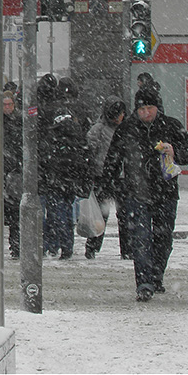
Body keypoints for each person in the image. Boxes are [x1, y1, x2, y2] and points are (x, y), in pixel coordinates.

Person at [99, 80, 188, 301]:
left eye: (149, 108)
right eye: (141, 109)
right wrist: (108, 184)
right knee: (141, 239)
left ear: (157, 108)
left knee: (163, 238)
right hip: (136, 192)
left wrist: (175, 151)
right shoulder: (127, 129)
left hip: (166, 192)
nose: (145, 112)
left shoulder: (171, 126)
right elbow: (113, 159)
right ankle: (144, 282)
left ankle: (156, 275)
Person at [37, 74, 91, 259]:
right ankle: (67, 244)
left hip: (53, 166)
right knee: (67, 206)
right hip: (72, 166)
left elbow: (40, 136)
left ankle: (52, 244)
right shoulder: (80, 110)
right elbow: (86, 138)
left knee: (53, 208)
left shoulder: (48, 110)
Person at [84, 97, 130, 259]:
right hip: (103, 175)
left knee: (123, 214)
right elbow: (90, 150)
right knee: (100, 215)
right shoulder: (99, 129)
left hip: (117, 176)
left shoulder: (124, 129)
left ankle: (127, 249)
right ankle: (93, 246)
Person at [2, 83, 23, 259]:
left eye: (10, 104)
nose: (7, 108)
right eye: (5, 105)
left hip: (15, 170)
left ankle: (15, 245)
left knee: (15, 211)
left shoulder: (19, 120)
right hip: (1, 170)